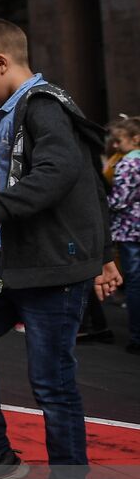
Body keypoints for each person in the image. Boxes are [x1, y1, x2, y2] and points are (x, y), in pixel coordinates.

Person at [0, 17, 118, 479]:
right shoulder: (16, 109)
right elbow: (88, 182)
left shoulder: (43, 105)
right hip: (13, 259)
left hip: (49, 267)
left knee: (52, 380)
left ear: (2, 63)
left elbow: (64, 170)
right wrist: (106, 252)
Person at [106, 117, 140, 355]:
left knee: (135, 283)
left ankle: (137, 336)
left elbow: (118, 201)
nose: (115, 146)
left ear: (135, 139)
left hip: (130, 229)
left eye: (119, 141)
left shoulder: (127, 165)